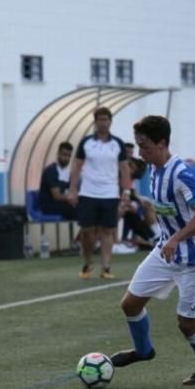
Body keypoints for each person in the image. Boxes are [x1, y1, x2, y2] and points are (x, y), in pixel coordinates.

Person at [111, 114, 195, 385]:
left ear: (162, 143)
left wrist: (176, 238)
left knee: (186, 323)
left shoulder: (184, 174)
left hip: (193, 257)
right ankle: (143, 350)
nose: (141, 152)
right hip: (165, 251)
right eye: (138, 145)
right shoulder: (153, 171)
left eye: (145, 146)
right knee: (130, 304)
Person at [67, 106, 131, 279]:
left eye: (106, 119)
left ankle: (106, 267)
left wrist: (126, 191)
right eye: (100, 120)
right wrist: (72, 189)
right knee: (87, 232)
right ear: (95, 123)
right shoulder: (86, 142)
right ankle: (88, 263)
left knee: (108, 231)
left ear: (111, 122)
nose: (103, 123)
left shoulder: (117, 143)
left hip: (110, 193)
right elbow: (76, 167)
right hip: (88, 192)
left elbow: (125, 170)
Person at [39, 141, 77, 220]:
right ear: (58, 154)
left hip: (60, 203)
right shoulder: (51, 171)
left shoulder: (67, 172)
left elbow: (70, 191)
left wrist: (75, 198)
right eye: (64, 155)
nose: (66, 158)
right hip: (48, 205)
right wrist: (71, 198)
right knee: (75, 210)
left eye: (69, 156)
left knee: (84, 207)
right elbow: (56, 196)